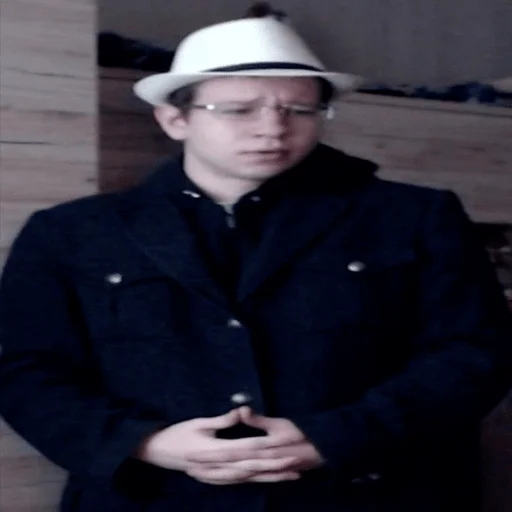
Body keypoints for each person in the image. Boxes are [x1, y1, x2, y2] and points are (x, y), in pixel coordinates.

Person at [0, 15, 511, 512]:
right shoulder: (70, 232)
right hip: (153, 497)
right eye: (238, 110)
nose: (273, 129)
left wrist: (337, 436)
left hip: (368, 490)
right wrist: (144, 442)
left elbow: (476, 352)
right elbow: (25, 370)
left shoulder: (414, 216)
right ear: (175, 119)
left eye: (300, 110)